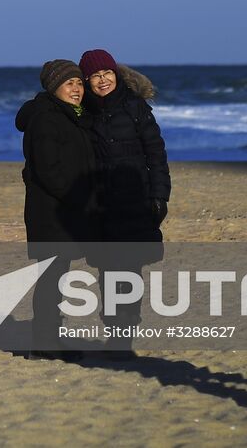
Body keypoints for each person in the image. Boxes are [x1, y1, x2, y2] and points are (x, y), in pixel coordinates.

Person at [78, 49, 170, 356]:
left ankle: (125, 335)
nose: (103, 81)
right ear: (86, 80)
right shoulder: (82, 113)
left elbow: (156, 154)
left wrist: (159, 196)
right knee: (107, 271)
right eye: (95, 76)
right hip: (101, 206)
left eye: (107, 74)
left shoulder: (135, 107)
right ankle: (114, 332)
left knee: (130, 270)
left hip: (136, 201)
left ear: (116, 75)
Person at [15, 59, 96, 360]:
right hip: (51, 212)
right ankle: (45, 343)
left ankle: (50, 339)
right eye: (69, 83)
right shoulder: (47, 118)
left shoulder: (71, 115)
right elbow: (50, 171)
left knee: (57, 277)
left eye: (78, 83)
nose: (76, 89)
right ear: (54, 88)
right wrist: (79, 198)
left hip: (63, 210)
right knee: (51, 278)